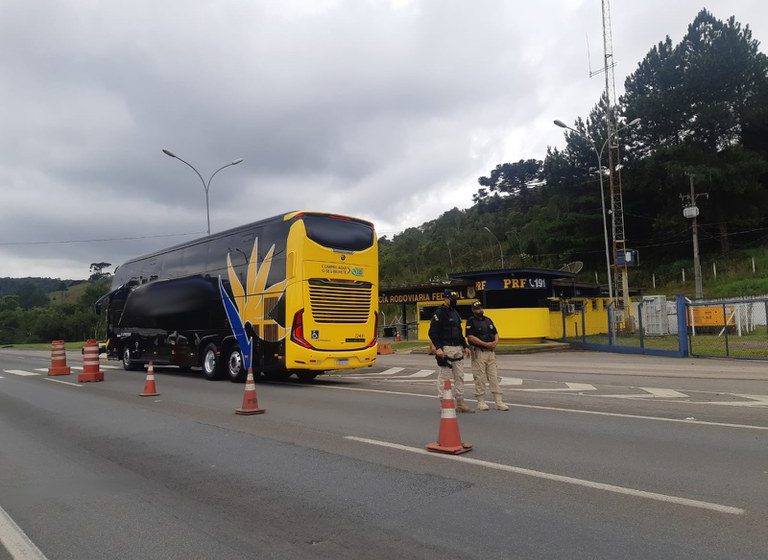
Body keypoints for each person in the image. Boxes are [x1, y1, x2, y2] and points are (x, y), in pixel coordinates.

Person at [428, 289, 473, 413]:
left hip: (458, 348)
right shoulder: (439, 313)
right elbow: (432, 332)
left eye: (455, 299)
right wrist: (438, 348)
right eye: (452, 299)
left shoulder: (455, 313)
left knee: (460, 377)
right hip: (446, 349)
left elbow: (459, 332)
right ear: (445, 299)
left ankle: (460, 403)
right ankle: (444, 403)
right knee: (444, 378)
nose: (454, 301)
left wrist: (466, 346)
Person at [465, 301, 509, 411]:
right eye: (477, 309)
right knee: (479, 377)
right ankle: (481, 401)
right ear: (473, 310)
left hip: (491, 353)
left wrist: (495, 342)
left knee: (494, 377)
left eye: (480, 308)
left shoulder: (488, 320)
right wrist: (485, 344)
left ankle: (499, 402)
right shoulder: (471, 321)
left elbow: (496, 333)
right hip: (479, 352)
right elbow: (470, 337)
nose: (479, 310)